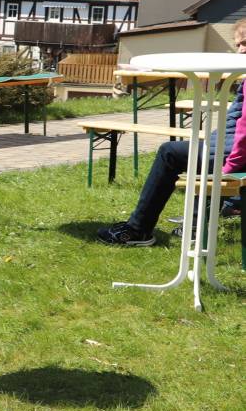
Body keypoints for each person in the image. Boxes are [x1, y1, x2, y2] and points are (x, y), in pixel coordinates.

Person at [97, 23, 246, 245]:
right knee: (200, 148)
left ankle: (139, 230)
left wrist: (229, 170)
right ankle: (197, 222)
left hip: (233, 153)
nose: (241, 50)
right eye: (238, 45)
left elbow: (243, 132)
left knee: (171, 152)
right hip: (227, 145)